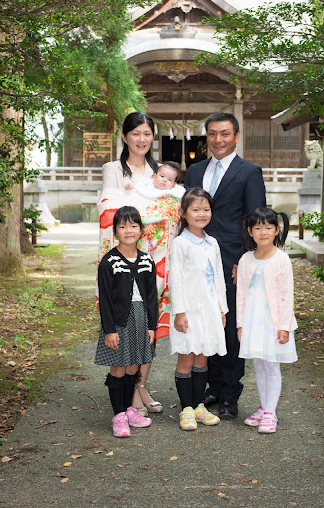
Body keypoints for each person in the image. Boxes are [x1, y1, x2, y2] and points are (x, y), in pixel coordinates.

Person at [184, 112, 267, 419]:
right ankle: (211, 388)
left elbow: (256, 219)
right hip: (198, 262)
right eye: (213, 134)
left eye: (224, 134)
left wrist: (247, 262)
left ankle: (231, 394)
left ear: (236, 135)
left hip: (233, 263)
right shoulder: (195, 171)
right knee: (205, 324)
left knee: (231, 328)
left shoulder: (249, 172)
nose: (218, 140)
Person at [98, 112, 179, 417]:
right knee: (125, 319)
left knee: (149, 320)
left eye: (147, 134)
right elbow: (110, 208)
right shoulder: (113, 169)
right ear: (124, 137)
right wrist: (153, 210)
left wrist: (150, 209)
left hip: (156, 256)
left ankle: (141, 385)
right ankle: (126, 390)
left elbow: (173, 206)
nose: (141, 140)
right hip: (125, 252)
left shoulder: (161, 171)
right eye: (136, 134)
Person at [94, 206, 158, 437]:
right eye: (123, 226)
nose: (128, 230)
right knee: (119, 366)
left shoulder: (146, 259)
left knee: (134, 364)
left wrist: (152, 326)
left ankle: (130, 409)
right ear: (115, 231)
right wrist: (109, 330)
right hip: (119, 320)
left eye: (133, 226)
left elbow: (152, 297)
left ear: (141, 230)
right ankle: (118, 415)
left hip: (141, 317)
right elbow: (106, 300)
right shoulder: (109, 261)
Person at [168, 188, 228, 431]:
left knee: (203, 357)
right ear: (183, 213)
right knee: (187, 356)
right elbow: (177, 280)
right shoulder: (180, 243)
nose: (201, 214)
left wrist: (222, 309)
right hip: (189, 311)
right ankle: (186, 409)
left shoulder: (212, 242)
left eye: (206, 209)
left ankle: (199, 405)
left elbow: (219, 278)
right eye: (195, 209)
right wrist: (179, 312)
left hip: (210, 310)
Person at [237, 207, 298, 433]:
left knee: (272, 366)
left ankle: (271, 413)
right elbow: (241, 294)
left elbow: (287, 295)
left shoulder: (282, 259)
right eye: (258, 227)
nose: (263, 232)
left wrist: (284, 326)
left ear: (277, 230)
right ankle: (264, 407)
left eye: (268, 227)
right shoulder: (245, 259)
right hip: (253, 320)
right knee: (259, 365)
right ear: (250, 232)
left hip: (273, 322)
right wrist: (240, 324)